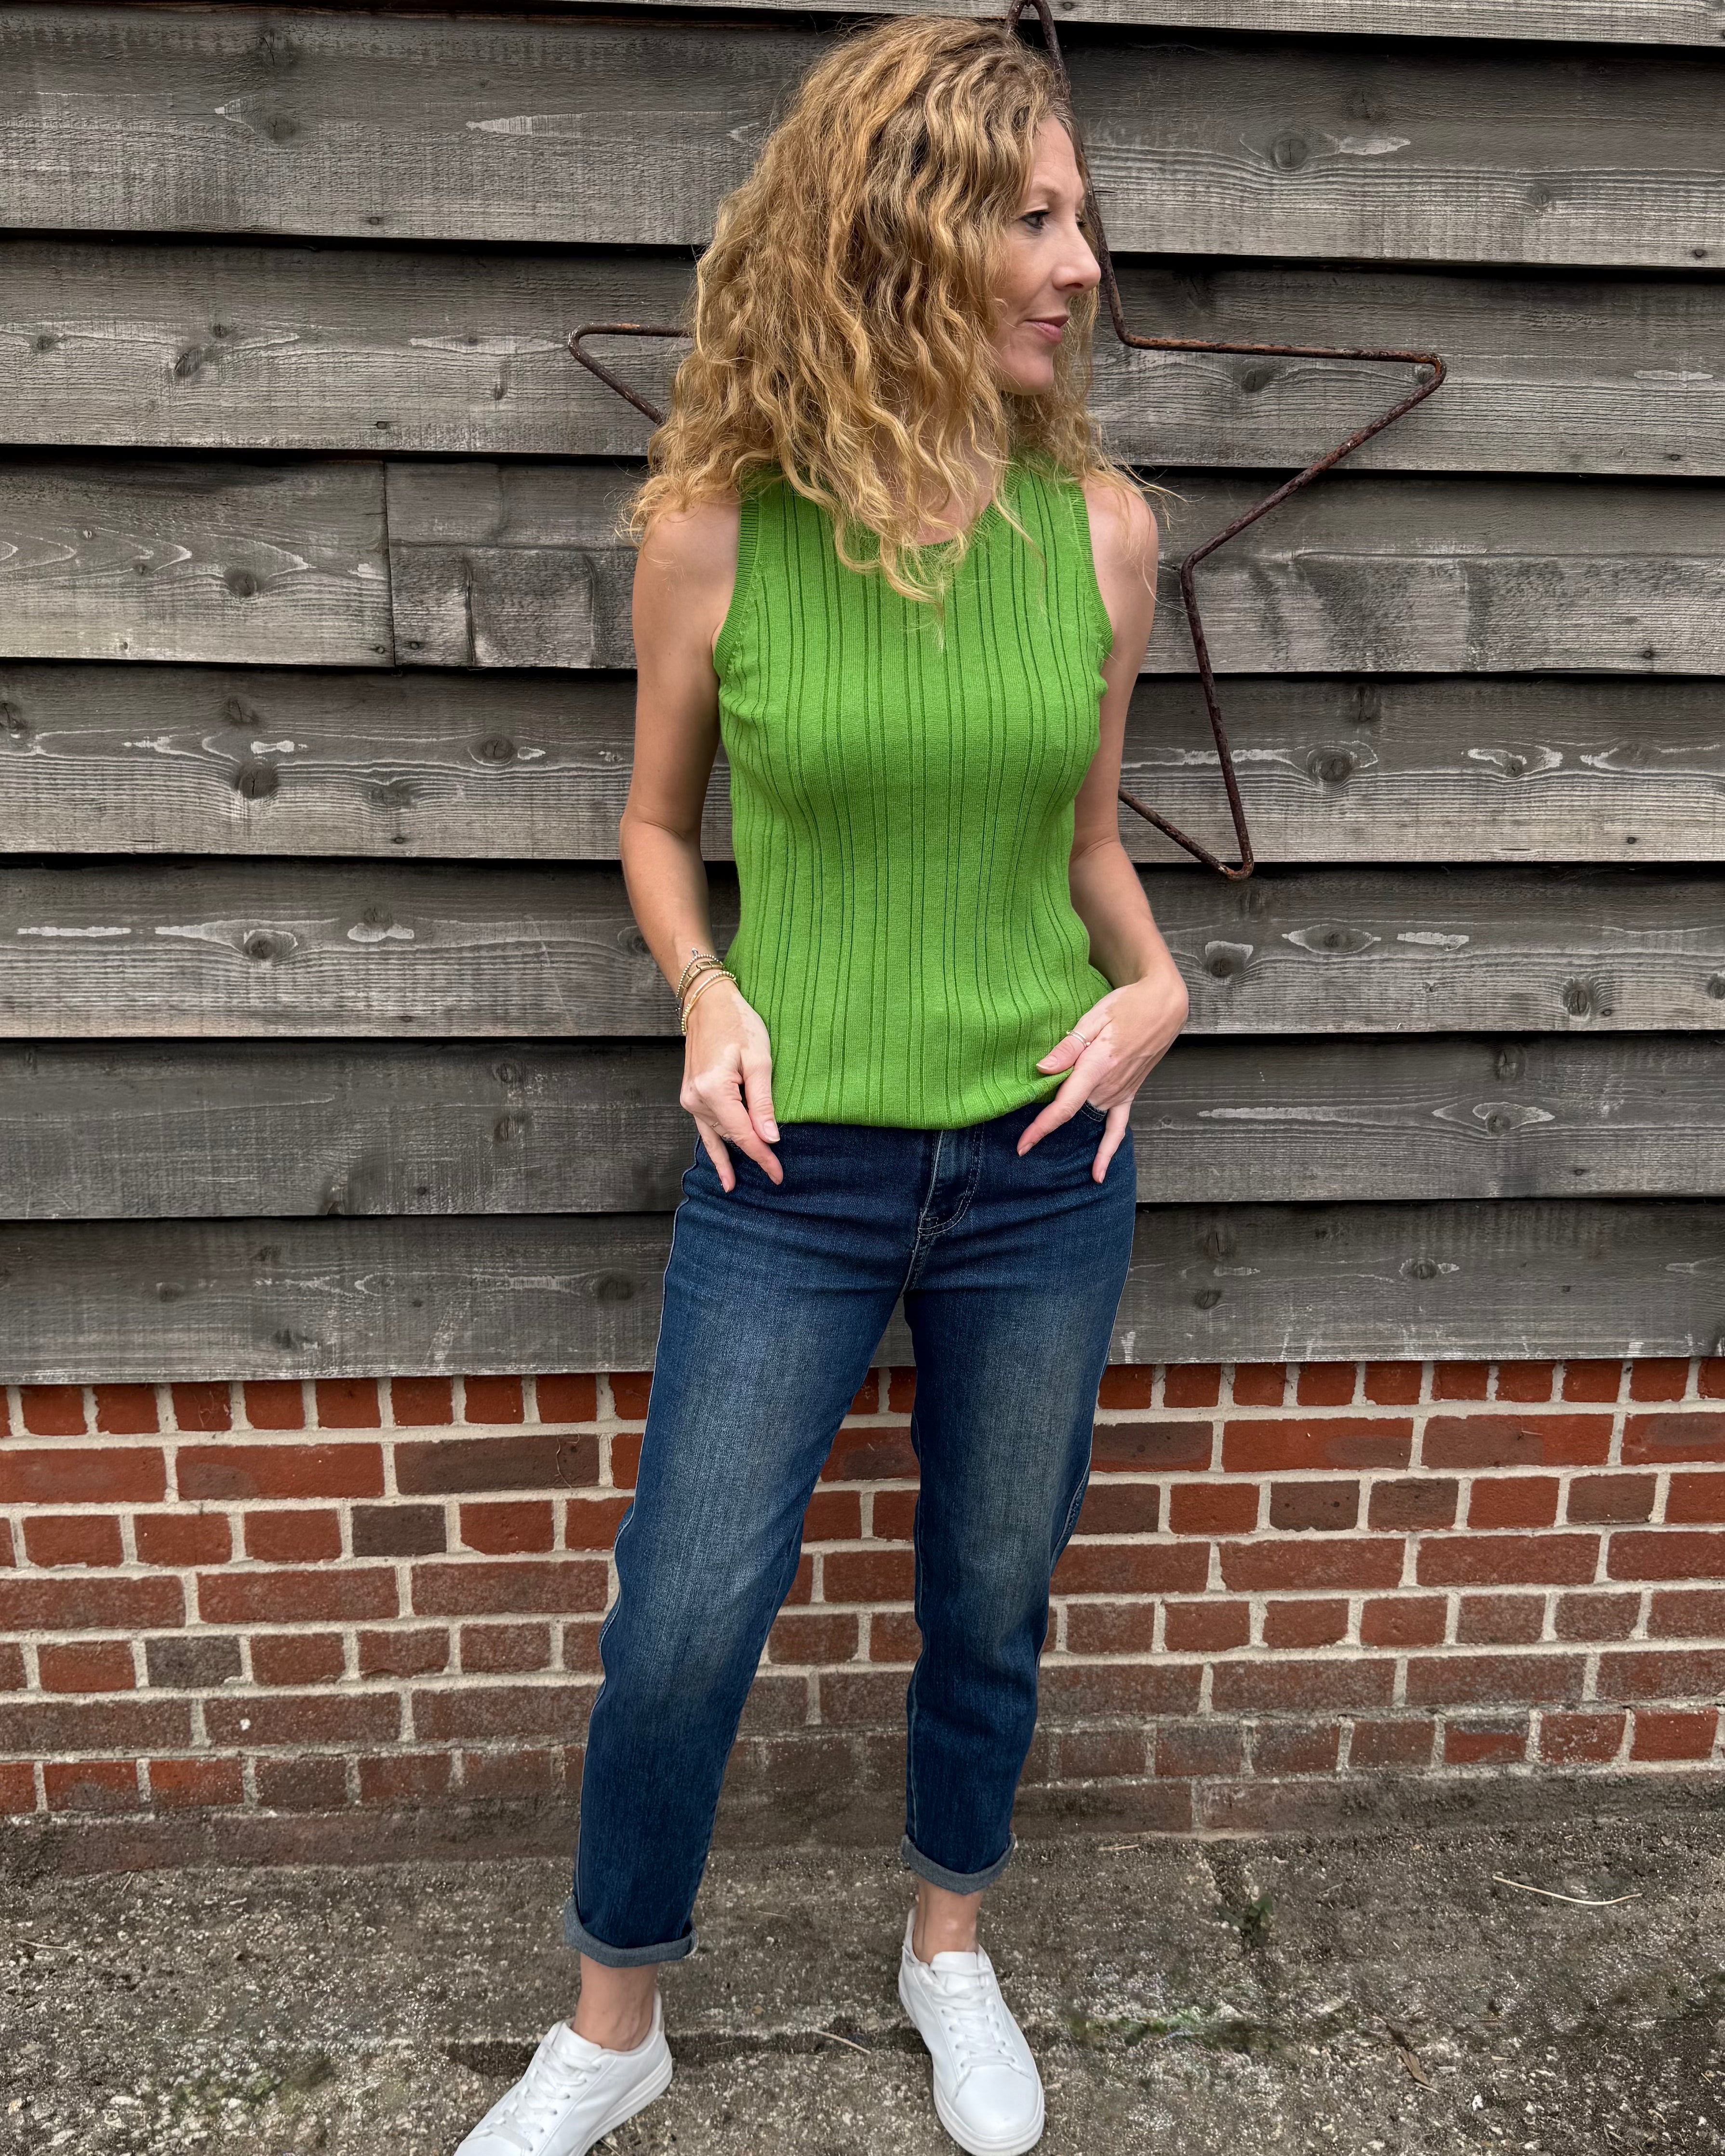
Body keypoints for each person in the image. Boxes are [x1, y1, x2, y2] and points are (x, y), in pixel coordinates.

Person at [456, 15, 1187, 2155]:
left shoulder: (1101, 534)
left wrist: (1160, 991)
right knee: (683, 1616)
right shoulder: (718, 533)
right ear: (902, 236)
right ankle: (615, 2025)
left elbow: (1087, 845)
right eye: (1032, 218)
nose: (1080, 265)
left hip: (1042, 1161)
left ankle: (945, 1946)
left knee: (990, 1590)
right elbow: (652, 823)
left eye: (1077, 217)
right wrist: (704, 987)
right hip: (791, 1168)